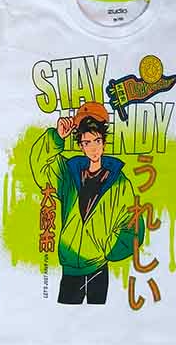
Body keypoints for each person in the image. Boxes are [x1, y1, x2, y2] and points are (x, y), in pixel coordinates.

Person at [29, 102, 144, 304]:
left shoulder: (119, 182)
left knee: (101, 318)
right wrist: (56, 137)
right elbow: (40, 167)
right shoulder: (68, 174)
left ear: (104, 143)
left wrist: (107, 249)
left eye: (97, 141)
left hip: (98, 268)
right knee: (64, 316)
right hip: (70, 268)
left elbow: (133, 222)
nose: (93, 148)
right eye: (87, 142)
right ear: (81, 146)